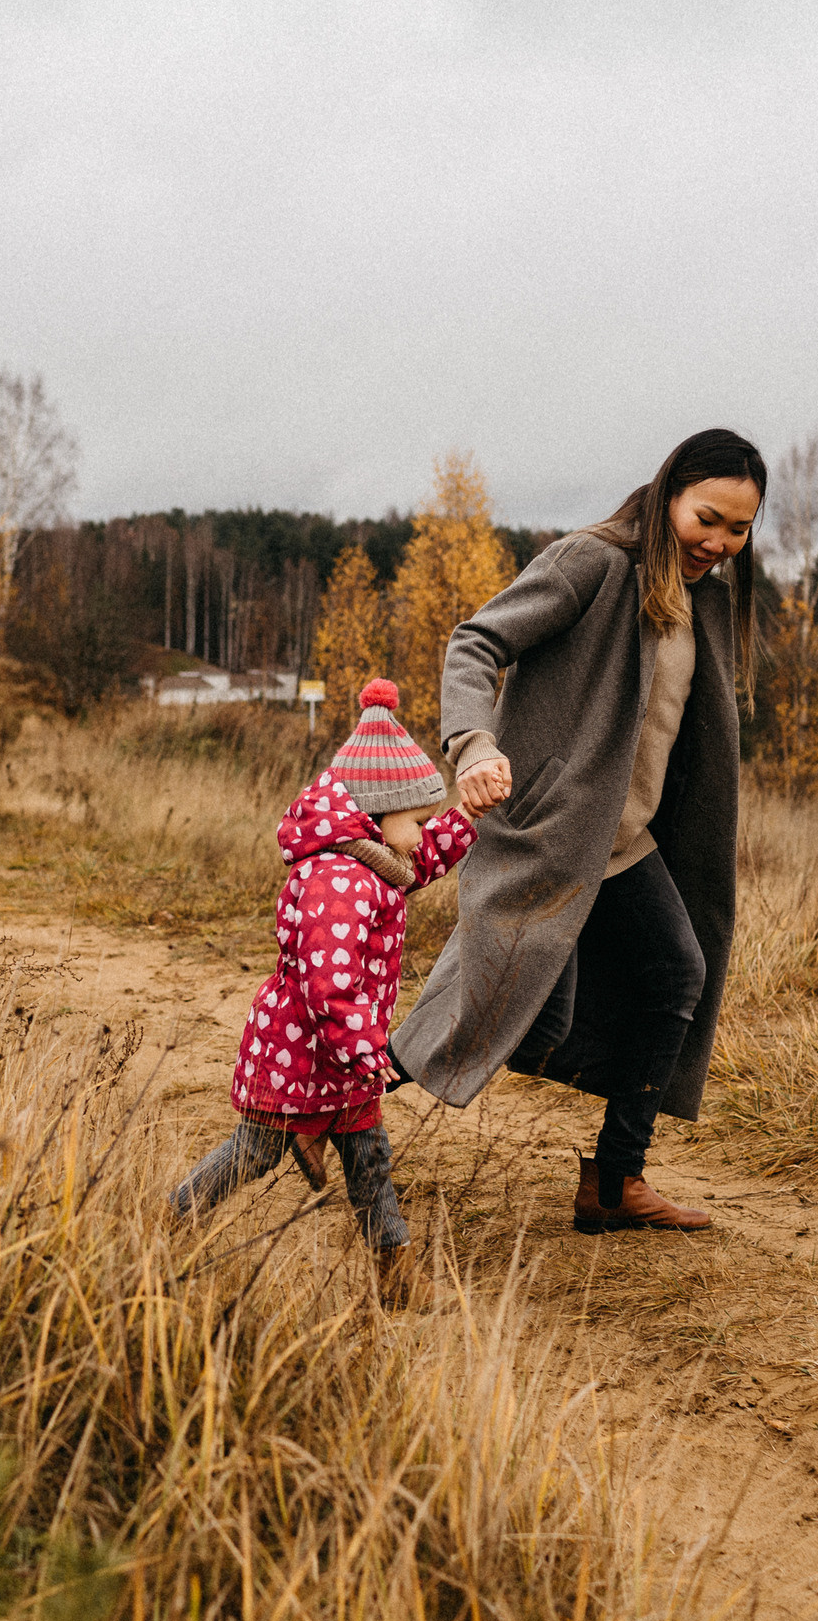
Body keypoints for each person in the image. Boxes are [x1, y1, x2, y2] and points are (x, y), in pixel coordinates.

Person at [394, 428, 763, 1235]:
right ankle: (333, 1093)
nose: (720, 542)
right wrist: (473, 743)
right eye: (707, 518)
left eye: (739, 529)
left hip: (625, 842)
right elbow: (475, 641)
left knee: (677, 973)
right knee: (498, 1008)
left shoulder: (704, 601)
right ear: (669, 494)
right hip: (555, 834)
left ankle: (615, 1182)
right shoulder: (592, 563)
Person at [168, 679, 477, 1308]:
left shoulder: (371, 859)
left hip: (338, 1058)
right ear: (379, 814)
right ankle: (174, 1219)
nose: (422, 833)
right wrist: (366, 1047)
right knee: (255, 1151)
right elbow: (328, 984)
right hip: (302, 1053)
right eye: (418, 821)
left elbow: (417, 863)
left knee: (370, 1160)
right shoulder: (338, 880)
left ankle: (395, 1276)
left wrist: (466, 818)